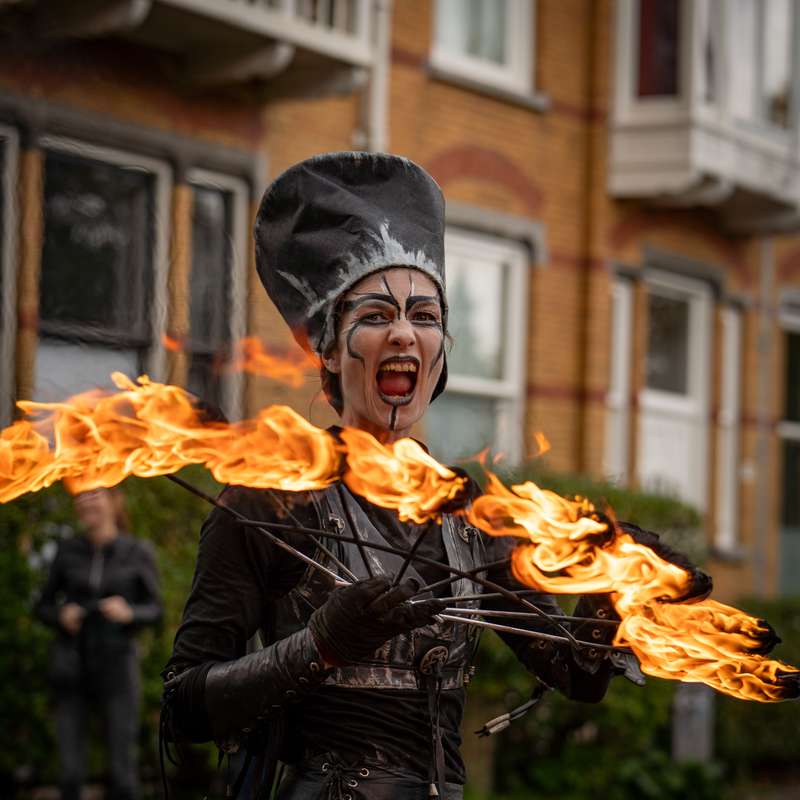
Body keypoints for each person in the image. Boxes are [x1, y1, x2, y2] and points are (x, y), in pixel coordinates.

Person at [163, 152, 705, 800]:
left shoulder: (469, 513)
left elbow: (575, 674)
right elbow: (183, 706)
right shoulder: (267, 502)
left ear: (441, 349)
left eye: (424, 317)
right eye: (375, 316)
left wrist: (612, 588)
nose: (404, 335)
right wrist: (321, 644)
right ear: (330, 349)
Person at [36, 487, 163, 800]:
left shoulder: (137, 551)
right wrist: (61, 615)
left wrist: (129, 612)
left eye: (94, 494)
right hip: (72, 665)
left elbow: (156, 610)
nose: (85, 500)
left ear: (114, 501)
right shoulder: (67, 551)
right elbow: (42, 606)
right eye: (80, 496)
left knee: (122, 773)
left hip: (117, 665)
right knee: (70, 773)